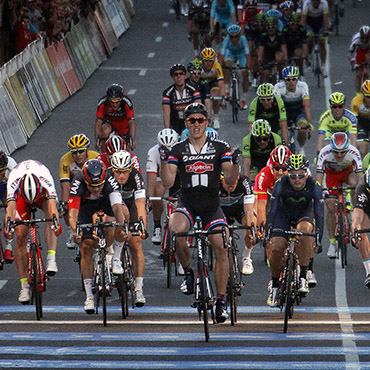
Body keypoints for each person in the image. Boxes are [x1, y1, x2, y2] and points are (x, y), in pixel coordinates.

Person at [160, 102, 241, 324]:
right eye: (192, 120)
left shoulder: (219, 147)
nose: (196, 124)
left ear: (207, 122)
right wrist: (164, 161)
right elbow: (168, 182)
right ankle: (188, 272)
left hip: (211, 206)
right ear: (186, 123)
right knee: (176, 231)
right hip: (187, 203)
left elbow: (231, 183)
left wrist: (235, 165)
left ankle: (221, 301)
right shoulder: (178, 149)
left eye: (200, 120)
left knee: (222, 246)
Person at [68, 159, 127, 314]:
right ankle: (89, 296)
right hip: (86, 208)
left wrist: (120, 225)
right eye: (92, 186)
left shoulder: (109, 181)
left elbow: (117, 208)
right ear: (85, 181)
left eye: (99, 186)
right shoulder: (78, 182)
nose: (96, 189)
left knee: (118, 225)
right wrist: (75, 232)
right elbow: (73, 213)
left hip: (106, 203)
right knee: (86, 246)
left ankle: (114, 259)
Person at [266, 154, 324, 307]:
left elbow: (319, 214)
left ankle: (304, 276)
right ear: (288, 175)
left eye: (301, 175)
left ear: (306, 174)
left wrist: (318, 237)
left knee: (305, 232)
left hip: (304, 213)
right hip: (283, 214)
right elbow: (272, 211)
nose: (297, 179)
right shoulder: (280, 184)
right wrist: (268, 233)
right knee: (277, 247)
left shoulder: (314, 186)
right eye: (293, 176)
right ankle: (275, 285)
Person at [5, 160, 61, 304]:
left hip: (41, 195)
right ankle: (24, 285)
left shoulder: (45, 178)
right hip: (21, 197)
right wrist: (8, 227)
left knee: (51, 217)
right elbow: (10, 208)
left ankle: (51, 258)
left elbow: (53, 208)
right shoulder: (13, 180)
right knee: (20, 234)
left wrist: (56, 224)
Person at [110, 151, 148, 306]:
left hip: (132, 204)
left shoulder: (136, 177)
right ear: (112, 170)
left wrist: (142, 227)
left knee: (136, 243)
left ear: (130, 170)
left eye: (125, 171)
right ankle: (113, 257)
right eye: (118, 171)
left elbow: (140, 205)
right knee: (116, 223)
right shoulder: (108, 178)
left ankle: (139, 288)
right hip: (114, 205)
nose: (121, 175)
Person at [316, 132, 362, 258]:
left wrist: (360, 192)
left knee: (355, 184)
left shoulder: (354, 152)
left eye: (343, 152)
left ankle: (353, 208)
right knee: (330, 208)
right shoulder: (325, 153)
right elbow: (319, 176)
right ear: (331, 149)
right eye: (336, 152)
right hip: (331, 176)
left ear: (348, 149)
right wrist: (319, 190)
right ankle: (332, 243)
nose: (340, 155)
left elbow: (359, 176)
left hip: (348, 173)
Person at [59, 134, 99, 249]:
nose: (77, 155)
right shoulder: (65, 160)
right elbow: (65, 186)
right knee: (65, 206)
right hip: (74, 186)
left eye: (81, 151)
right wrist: (65, 205)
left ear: (87, 150)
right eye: (74, 152)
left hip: (92, 184)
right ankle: (71, 229)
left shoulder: (96, 157)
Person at [146, 128, 179, 245]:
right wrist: (149, 199)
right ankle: (157, 227)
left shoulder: (182, 149)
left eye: (170, 147)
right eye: (164, 147)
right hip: (162, 177)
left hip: (178, 176)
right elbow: (151, 180)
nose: (167, 150)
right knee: (157, 190)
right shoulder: (153, 152)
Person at [219, 172, 256, 274]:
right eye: (227, 183)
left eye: (234, 182)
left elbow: (249, 209)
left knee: (251, 222)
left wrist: (251, 230)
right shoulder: (214, 182)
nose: (231, 186)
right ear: (221, 179)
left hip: (239, 209)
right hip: (220, 210)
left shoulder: (244, 182)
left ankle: (247, 257)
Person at [274, 66, 312, 154]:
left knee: (302, 129)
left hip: (299, 111)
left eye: (293, 79)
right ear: (284, 80)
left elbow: (306, 105)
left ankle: (300, 147)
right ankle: (285, 150)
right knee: (283, 134)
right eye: (288, 79)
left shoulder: (303, 86)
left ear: (297, 79)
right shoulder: (278, 87)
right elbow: (277, 107)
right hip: (284, 111)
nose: (291, 82)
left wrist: (309, 124)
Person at [253, 145, 291, 229]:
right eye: (277, 168)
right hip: (270, 194)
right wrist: (262, 227)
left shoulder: (296, 175)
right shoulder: (264, 174)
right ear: (271, 166)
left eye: (284, 168)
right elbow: (261, 205)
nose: (280, 173)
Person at [94, 84, 136, 152]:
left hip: (122, 123)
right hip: (109, 121)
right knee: (105, 131)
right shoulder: (102, 102)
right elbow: (98, 122)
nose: (115, 104)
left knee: (125, 149)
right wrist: (97, 141)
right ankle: (104, 155)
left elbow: (132, 122)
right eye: (112, 102)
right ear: (108, 99)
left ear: (121, 99)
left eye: (117, 102)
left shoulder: (127, 102)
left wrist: (132, 140)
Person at [162, 64, 201, 135]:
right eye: (176, 74)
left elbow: (199, 107)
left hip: (191, 122)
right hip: (175, 123)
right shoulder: (167, 93)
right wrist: (167, 130)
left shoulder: (194, 89)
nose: (179, 76)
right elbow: (166, 113)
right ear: (173, 78)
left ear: (185, 76)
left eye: (181, 74)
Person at [219, 24, 250, 110]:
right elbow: (222, 55)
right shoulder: (226, 40)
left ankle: (244, 99)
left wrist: (248, 66)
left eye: (236, 36)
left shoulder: (243, 39)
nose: (234, 39)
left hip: (241, 55)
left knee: (245, 74)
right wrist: (221, 67)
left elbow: (247, 55)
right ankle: (227, 91)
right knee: (227, 66)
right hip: (230, 54)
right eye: (231, 37)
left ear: (239, 36)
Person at [351, 168, 370, 289]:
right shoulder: (363, 186)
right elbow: (357, 214)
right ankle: (369, 270)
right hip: (368, 205)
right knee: (361, 230)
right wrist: (355, 229)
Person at [300, 0, 329, 77]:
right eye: (313, 1)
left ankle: (323, 66)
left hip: (320, 23)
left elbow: (325, 19)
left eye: (317, 1)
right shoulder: (307, 3)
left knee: (322, 42)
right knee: (309, 38)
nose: (315, 2)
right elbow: (303, 21)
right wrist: (302, 32)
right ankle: (309, 55)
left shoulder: (324, 3)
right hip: (309, 23)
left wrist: (326, 31)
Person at [199, 47, 226, 129]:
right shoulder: (198, 66)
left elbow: (221, 82)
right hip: (202, 83)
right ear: (202, 60)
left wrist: (222, 97)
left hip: (213, 82)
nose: (208, 63)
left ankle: (216, 117)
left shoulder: (217, 66)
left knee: (215, 96)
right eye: (206, 60)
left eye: (211, 61)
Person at [256, 16, 287, 83]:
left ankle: (281, 77)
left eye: (273, 27)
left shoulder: (280, 35)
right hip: (267, 54)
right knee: (266, 73)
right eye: (268, 27)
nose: (271, 29)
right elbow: (261, 49)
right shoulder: (263, 36)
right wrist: (260, 61)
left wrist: (285, 57)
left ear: (276, 27)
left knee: (279, 58)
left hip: (277, 52)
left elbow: (283, 47)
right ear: (266, 28)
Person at [0, 151, 17, 263]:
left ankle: (8, 247)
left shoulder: (12, 167)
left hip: (7, 186)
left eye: (1, 172)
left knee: (10, 208)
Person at [282, 12, 308, 77]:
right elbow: (283, 44)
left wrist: (306, 57)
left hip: (297, 45)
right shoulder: (285, 29)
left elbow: (304, 44)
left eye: (297, 24)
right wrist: (285, 56)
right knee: (288, 65)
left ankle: (301, 73)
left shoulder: (302, 29)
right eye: (293, 24)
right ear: (289, 23)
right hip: (287, 46)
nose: (295, 26)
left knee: (299, 54)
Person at [350, 80, 370, 159]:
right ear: (363, 95)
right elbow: (354, 122)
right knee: (362, 149)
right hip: (362, 123)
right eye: (368, 96)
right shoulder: (356, 101)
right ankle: (363, 169)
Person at [348, 26, 370, 94]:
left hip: (368, 51)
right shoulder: (356, 40)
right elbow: (350, 53)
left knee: (367, 58)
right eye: (363, 38)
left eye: (367, 38)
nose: (364, 40)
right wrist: (352, 60)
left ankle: (367, 89)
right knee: (358, 74)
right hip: (359, 52)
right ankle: (358, 93)